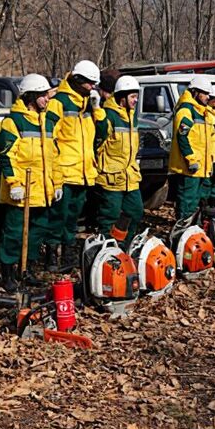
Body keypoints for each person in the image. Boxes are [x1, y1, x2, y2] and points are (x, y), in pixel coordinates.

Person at [0, 74, 62, 292]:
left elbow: (55, 156)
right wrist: (13, 183)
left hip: (43, 191)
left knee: (37, 232)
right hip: (21, 191)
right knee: (14, 233)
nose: (47, 99)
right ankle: (8, 272)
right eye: (43, 95)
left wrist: (57, 183)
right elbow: (7, 155)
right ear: (31, 97)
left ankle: (27, 270)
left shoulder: (49, 122)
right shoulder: (13, 121)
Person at [45, 60, 103, 271]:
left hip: (84, 171)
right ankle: (51, 256)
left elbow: (102, 131)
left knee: (73, 218)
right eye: (89, 83)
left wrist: (96, 108)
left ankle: (67, 254)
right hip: (65, 171)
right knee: (58, 216)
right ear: (78, 80)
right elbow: (49, 138)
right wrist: (55, 174)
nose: (92, 88)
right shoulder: (59, 102)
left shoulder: (88, 102)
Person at [94, 76, 143, 238]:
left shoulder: (132, 116)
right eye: (133, 96)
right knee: (110, 216)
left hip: (131, 176)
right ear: (122, 97)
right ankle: (104, 250)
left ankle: (124, 245)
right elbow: (98, 142)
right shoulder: (108, 115)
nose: (136, 100)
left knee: (135, 212)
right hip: (111, 177)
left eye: (137, 96)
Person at [168, 77, 212, 220]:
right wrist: (190, 159)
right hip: (189, 167)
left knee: (195, 203)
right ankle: (182, 230)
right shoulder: (186, 110)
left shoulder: (201, 111)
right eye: (205, 93)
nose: (208, 97)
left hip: (200, 166)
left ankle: (192, 229)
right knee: (187, 202)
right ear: (195, 92)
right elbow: (183, 137)